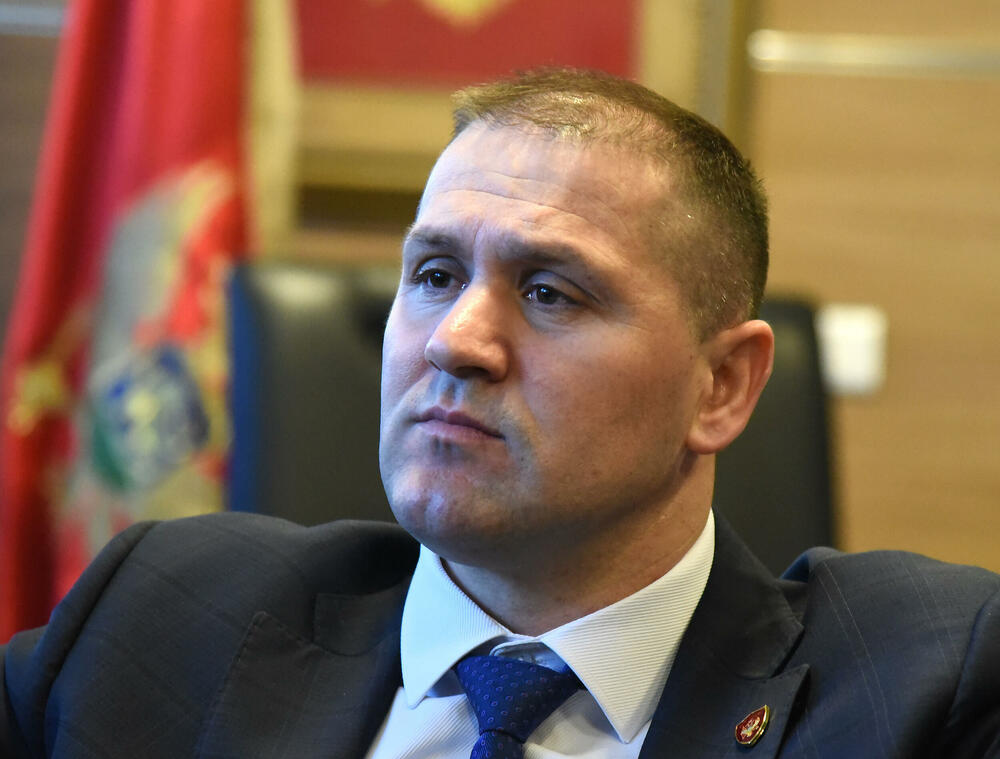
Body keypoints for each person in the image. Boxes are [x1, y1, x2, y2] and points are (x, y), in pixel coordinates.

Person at [1, 68, 998, 758]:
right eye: (435, 274)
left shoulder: (918, 682)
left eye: (550, 292)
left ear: (721, 386)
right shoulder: (163, 614)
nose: (455, 341)